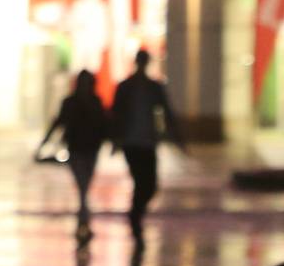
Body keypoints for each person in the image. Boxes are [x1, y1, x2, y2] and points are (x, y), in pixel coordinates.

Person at [108, 48, 183, 246]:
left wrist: (177, 138)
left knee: (149, 184)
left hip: (147, 142)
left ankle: (136, 213)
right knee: (141, 181)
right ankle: (135, 217)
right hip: (132, 143)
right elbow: (116, 114)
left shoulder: (153, 87)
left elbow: (166, 112)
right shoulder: (125, 87)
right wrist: (115, 139)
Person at [38, 69, 110, 243]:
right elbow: (59, 123)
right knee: (83, 186)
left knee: (83, 187)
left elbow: (104, 124)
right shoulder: (78, 102)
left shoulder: (91, 102)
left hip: (89, 149)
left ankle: (83, 222)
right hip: (78, 149)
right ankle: (83, 222)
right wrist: (44, 143)